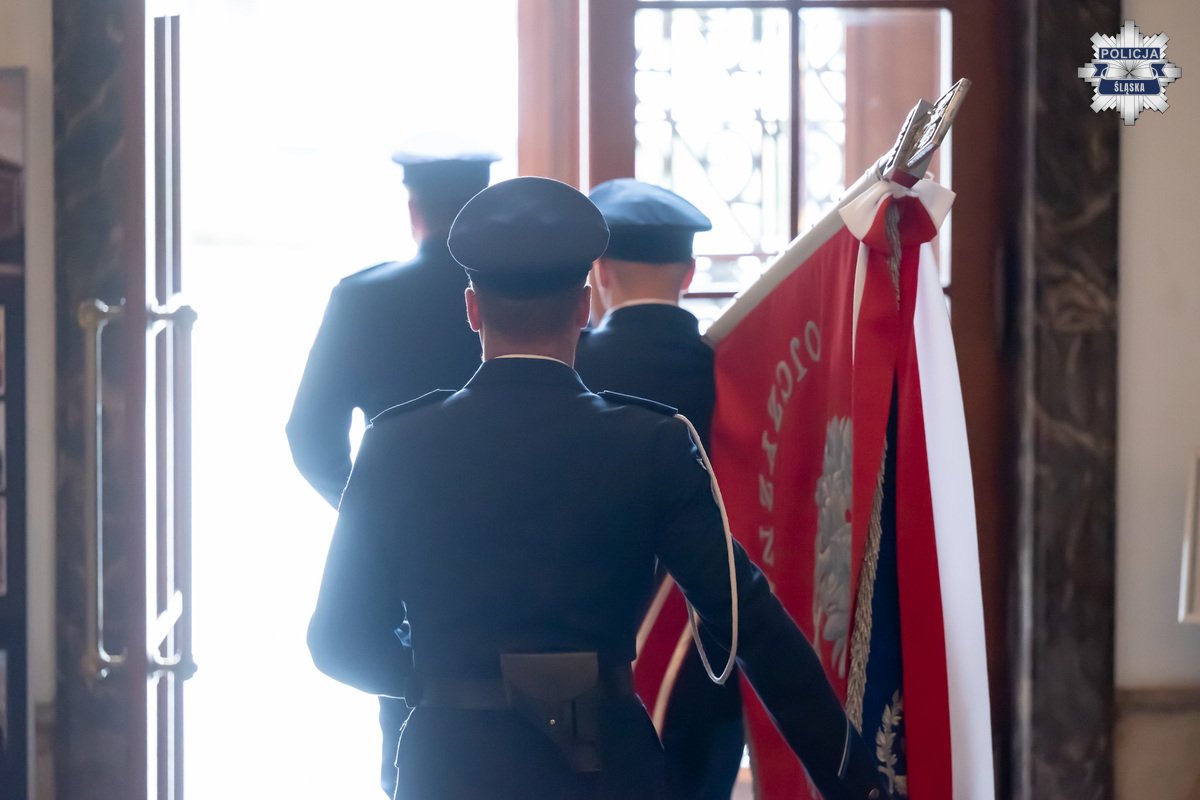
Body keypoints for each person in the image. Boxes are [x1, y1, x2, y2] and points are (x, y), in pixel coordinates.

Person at [307, 176, 886, 800]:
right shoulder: (651, 442)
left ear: (472, 309)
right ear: (584, 308)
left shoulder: (397, 443)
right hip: (606, 768)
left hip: (449, 766)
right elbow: (752, 624)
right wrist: (859, 784)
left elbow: (338, 640)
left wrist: (443, 684)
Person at [286, 147, 498, 797]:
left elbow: (309, 434)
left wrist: (370, 512)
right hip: (519, 543)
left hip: (411, 555)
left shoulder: (363, 298)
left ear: (414, 211)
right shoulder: (518, 296)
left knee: (412, 726)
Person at [576, 178, 741, 800]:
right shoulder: (733, 369)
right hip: (708, 642)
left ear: (600, 272)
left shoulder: (573, 368)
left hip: (594, 647)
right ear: (690, 274)